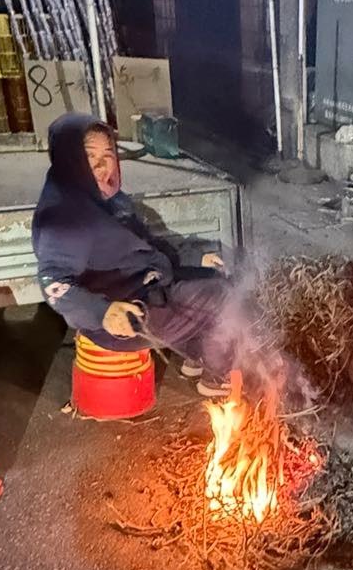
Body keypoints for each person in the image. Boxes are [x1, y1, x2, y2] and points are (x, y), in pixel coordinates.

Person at [33, 112, 235, 397]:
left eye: (108, 155)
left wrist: (194, 258)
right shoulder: (66, 217)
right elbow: (53, 282)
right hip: (126, 315)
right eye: (89, 156)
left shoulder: (106, 199)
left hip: (142, 284)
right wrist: (103, 312)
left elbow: (146, 244)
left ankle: (197, 357)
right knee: (223, 295)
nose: (101, 166)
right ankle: (217, 378)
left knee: (210, 272)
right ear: (69, 159)